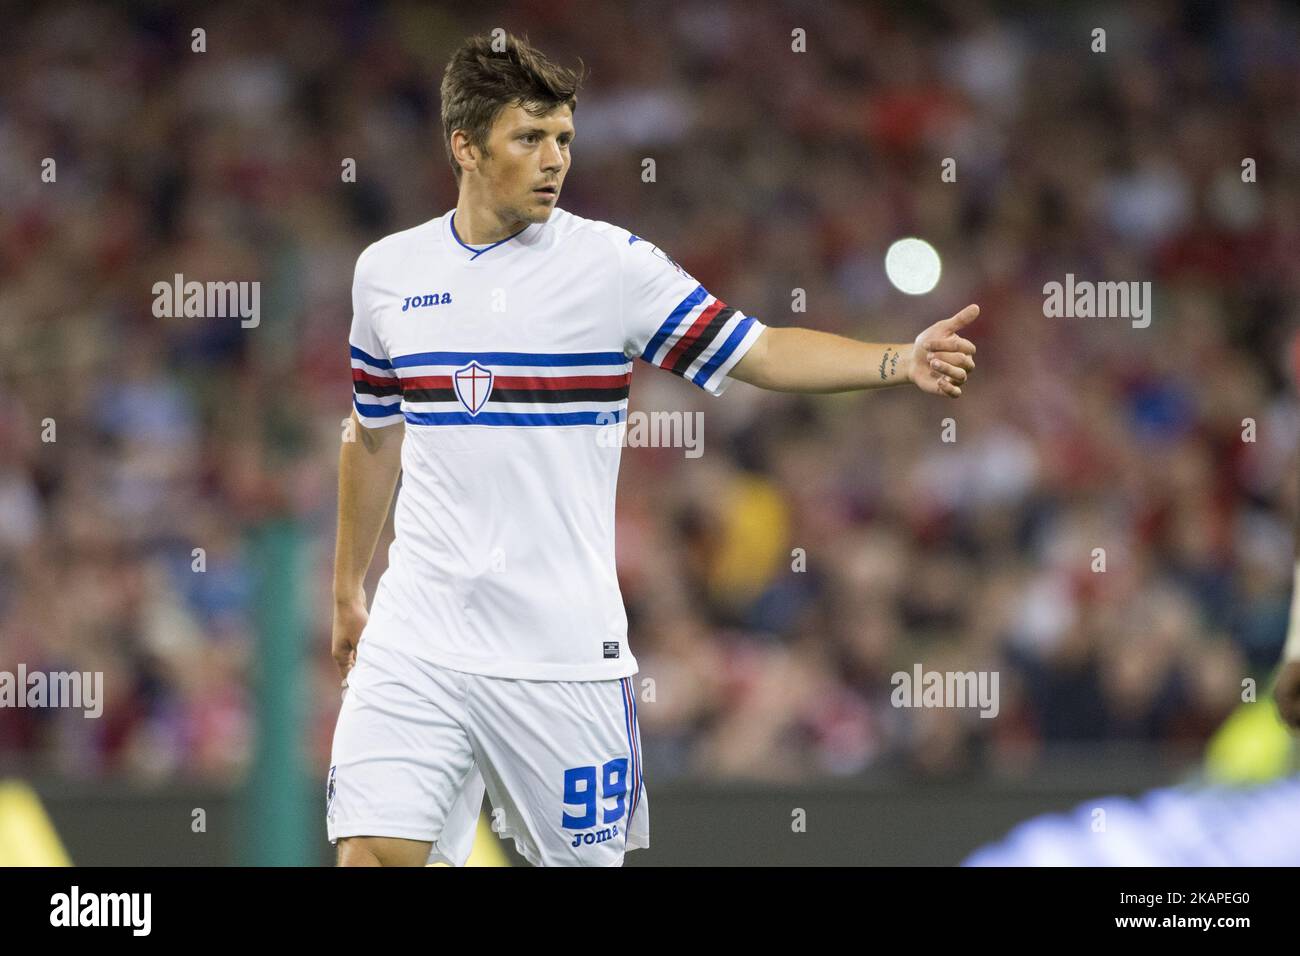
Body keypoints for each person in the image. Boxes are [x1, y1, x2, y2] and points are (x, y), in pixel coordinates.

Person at [328, 31, 978, 866]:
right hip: (415, 637)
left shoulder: (612, 268)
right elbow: (373, 436)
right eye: (529, 138)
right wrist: (349, 588)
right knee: (375, 856)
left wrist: (898, 360)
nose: (554, 158)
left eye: (563, 138)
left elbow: (761, 350)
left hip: (561, 653)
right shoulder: (386, 273)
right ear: (464, 146)